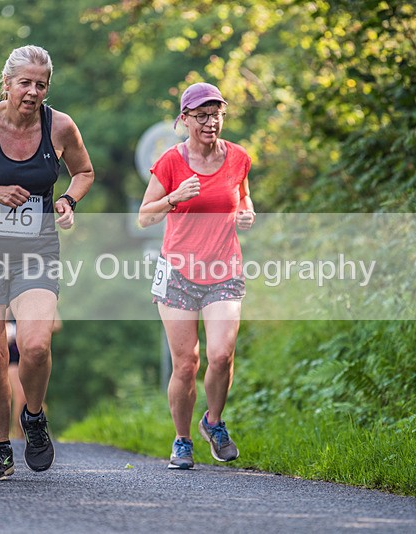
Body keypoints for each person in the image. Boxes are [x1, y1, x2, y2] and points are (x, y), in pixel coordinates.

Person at [0, 44, 94, 480]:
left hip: (36, 252)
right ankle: (0, 448)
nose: (32, 91)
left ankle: (34, 417)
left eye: (40, 85)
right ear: (5, 84)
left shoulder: (60, 126)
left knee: (36, 345)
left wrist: (67, 199)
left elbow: (84, 172)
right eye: (24, 82)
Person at [138, 82, 255, 470]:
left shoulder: (238, 158)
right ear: (184, 119)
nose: (210, 122)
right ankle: (182, 439)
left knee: (221, 354)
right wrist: (174, 197)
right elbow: (145, 216)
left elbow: (242, 195)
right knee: (186, 362)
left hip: (223, 269)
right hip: (178, 273)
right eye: (202, 116)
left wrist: (246, 213)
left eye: (216, 114)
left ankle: (213, 422)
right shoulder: (171, 162)